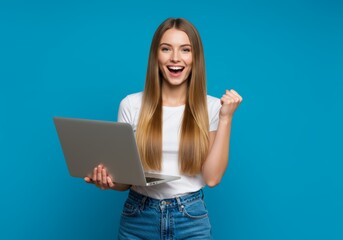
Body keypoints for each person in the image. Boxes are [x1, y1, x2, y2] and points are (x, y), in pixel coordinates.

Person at [84, 17, 242, 239]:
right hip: (138, 217)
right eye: (166, 49)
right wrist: (107, 181)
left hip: (191, 219)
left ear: (195, 57)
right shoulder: (131, 105)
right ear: (155, 57)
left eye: (185, 50)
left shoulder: (213, 107)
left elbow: (212, 178)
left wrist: (226, 119)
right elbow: (125, 181)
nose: (175, 58)